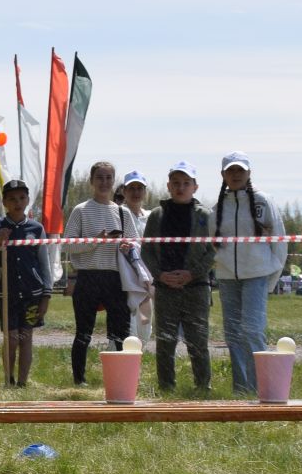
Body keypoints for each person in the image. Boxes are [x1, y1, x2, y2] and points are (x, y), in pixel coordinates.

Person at [212, 152, 287, 395]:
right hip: (227, 278)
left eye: (240, 170)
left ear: (249, 173)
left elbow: (279, 242)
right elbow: (211, 245)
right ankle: (241, 389)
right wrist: (219, 267)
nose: (235, 175)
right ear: (223, 175)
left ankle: (263, 387)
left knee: (253, 330)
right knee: (233, 333)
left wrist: (271, 276)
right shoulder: (217, 208)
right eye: (231, 171)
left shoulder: (264, 201)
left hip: (257, 275)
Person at [141, 160, 216, 393]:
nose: (180, 187)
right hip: (165, 289)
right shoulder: (157, 215)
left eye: (186, 183)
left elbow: (214, 251)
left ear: (195, 186)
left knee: (198, 341)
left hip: (197, 288)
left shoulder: (206, 216)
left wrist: (192, 273)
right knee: (165, 341)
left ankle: (203, 387)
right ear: (168, 186)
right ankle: (166, 387)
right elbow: (147, 251)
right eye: (176, 183)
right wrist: (160, 275)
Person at [61, 162, 132, 387]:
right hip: (88, 277)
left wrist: (126, 246)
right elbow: (68, 245)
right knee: (83, 332)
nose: (104, 182)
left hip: (115, 278)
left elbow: (135, 244)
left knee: (119, 333)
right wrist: (96, 241)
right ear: (91, 181)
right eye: (100, 177)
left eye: (109, 177)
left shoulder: (123, 212)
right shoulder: (81, 210)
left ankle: (119, 379)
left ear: (114, 181)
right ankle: (78, 380)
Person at [0, 179, 51, 387]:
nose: (18, 203)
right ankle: (8, 380)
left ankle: (23, 383)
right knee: (12, 338)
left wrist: (46, 294)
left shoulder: (36, 228)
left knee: (25, 337)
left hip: (32, 293)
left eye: (22, 198)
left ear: (28, 200)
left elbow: (44, 263)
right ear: (4, 202)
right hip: (7, 293)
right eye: (12, 199)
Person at [117, 170, 155, 332]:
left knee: (145, 328)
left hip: (148, 278)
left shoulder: (152, 216)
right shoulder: (117, 214)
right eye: (131, 188)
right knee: (129, 327)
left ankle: (138, 354)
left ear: (145, 192)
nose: (136, 192)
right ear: (124, 192)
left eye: (140, 188)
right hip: (126, 279)